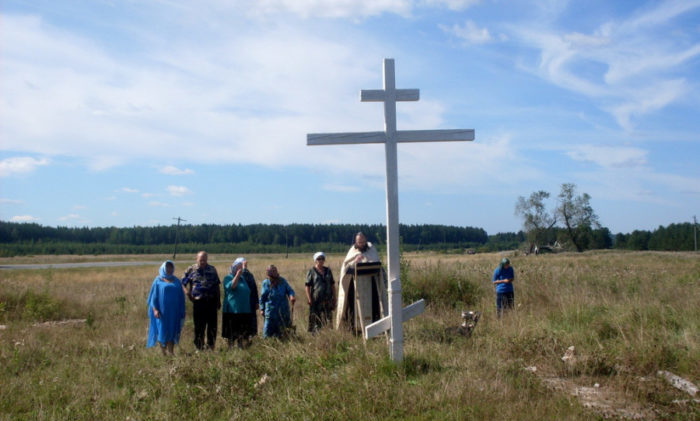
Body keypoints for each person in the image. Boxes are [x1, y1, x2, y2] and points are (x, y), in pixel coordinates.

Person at [335, 232, 387, 331]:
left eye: (363, 242)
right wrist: (355, 262)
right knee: (353, 307)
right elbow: (345, 269)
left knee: (374, 306)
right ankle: (354, 329)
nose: (361, 244)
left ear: (366, 240)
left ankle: (374, 329)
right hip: (354, 287)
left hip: (371, 286)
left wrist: (371, 264)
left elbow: (377, 267)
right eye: (359, 242)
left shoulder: (372, 250)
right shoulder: (352, 251)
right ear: (356, 242)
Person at [182, 251, 221, 350]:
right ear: (196, 259)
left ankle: (211, 346)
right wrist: (187, 293)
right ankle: (199, 347)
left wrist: (218, 300)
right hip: (199, 302)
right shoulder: (191, 269)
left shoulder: (212, 269)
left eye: (204, 260)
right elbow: (182, 283)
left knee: (212, 326)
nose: (202, 262)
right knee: (199, 326)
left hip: (212, 302)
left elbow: (217, 285)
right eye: (201, 260)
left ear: (207, 259)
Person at [147, 260, 186, 355]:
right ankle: (163, 352)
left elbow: (181, 297)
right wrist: (155, 309)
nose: (169, 269)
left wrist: (182, 310)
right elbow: (153, 297)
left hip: (174, 312)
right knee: (162, 331)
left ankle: (171, 352)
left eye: (171, 267)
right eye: (167, 267)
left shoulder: (176, 280)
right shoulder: (158, 280)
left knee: (172, 330)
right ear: (163, 268)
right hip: (162, 312)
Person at [222, 257, 257, 348]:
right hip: (233, 310)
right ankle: (231, 347)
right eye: (238, 268)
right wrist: (237, 275)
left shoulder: (243, 279)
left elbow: (249, 290)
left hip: (244, 309)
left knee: (242, 331)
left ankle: (241, 346)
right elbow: (232, 286)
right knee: (232, 331)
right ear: (233, 268)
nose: (240, 270)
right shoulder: (228, 277)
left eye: (240, 268)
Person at [259, 265, 296, 339]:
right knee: (268, 332)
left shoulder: (282, 281)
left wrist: (291, 296)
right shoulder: (266, 283)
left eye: (275, 270)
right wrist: (262, 309)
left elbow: (290, 290)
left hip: (283, 310)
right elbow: (262, 297)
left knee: (284, 330)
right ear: (268, 273)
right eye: (272, 271)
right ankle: (268, 343)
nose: (274, 272)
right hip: (271, 311)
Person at [305, 251, 336, 333]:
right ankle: (315, 335)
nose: (321, 260)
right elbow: (307, 286)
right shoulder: (311, 271)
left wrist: (334, 298)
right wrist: (309, 299)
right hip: (316, 299)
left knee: (328, 319)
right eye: (318, 259)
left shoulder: (328, 271)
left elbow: (332, 285)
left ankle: (328, 334)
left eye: (322, 258)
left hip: (328, 299)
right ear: (315, 260)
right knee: (315, 318)